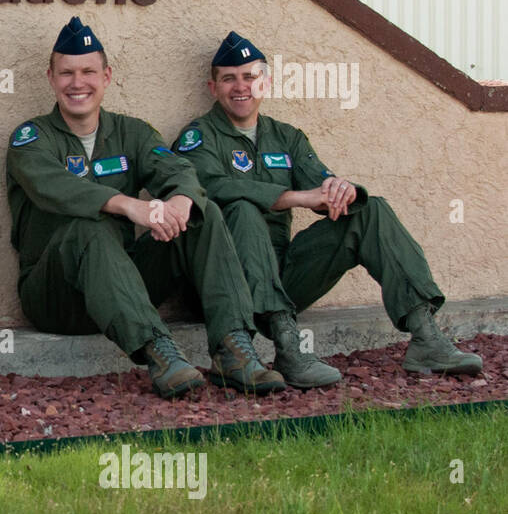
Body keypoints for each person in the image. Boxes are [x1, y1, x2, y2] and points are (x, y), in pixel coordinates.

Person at [173, 31, 481, 387]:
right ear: (213, 88)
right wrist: (294, 197)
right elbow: (210, 188)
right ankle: (289, 348)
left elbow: (320, 184)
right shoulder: (198, 137)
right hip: (224, 289)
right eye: (229, 78)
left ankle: (426, 336)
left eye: (250, 77)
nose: (240, 87)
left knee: (369, 209)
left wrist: (339, 189)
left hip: (282, 277)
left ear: (266, 83)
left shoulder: (287, 137)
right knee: (242, 208)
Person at [5, 17, 285, 398]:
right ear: (51, 78)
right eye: (67, 73)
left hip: (124, 286)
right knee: (91, 226)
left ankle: (233, 350)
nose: (77, 82)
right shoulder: (30, 138)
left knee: (203, 215)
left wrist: (182, 199)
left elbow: (178, 169)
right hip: (57, 296)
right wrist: (130, 206)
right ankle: (161, 353)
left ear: (106, 77)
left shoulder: (131, 132)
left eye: (88, 71)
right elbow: (55, 188)